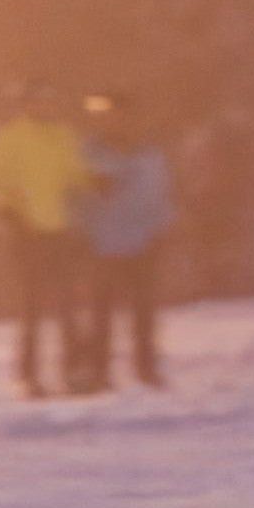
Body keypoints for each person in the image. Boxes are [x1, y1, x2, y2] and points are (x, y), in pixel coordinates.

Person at [0, 81, 98, 397]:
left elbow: (77, 177)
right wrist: (11, 218)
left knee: (69, 305)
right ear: (25, 104)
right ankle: (28, 376)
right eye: (38, 101)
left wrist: (91, 191)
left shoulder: (64, 138)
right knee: (31, 307)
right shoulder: (7, 140)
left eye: (49, 101)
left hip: (62, 233)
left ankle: (75, 371)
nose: (44, 107)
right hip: (26, 235)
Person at [82, 96, 175, 389]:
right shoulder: (90, 154)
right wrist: (81, 233)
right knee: (101, 313)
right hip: (103, 243)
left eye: (123, 115)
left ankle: (146, 369)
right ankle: (99, 372)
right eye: (109, 116)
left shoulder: (149, 155)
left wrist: (163, 229)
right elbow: (78, 197)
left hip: (142, 242)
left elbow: (160, 195)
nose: (117, 121)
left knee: (143, 313)